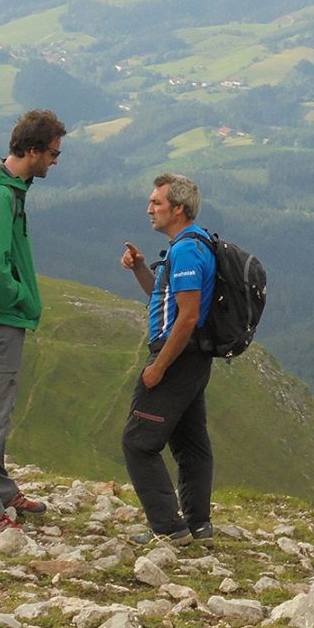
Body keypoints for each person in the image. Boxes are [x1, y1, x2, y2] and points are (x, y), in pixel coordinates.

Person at [0, 109, 65, 533]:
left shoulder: (7, 187)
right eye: (53, 154)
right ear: (34, 150)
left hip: (0, 318)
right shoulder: (0, 197)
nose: (56, 161)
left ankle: (0, 488)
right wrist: (22, 299)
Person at [119, 173, 217, 546]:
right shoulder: (191, 244)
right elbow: (166, 301)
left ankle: (168, 528)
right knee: (190, 442)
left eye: (156, 203)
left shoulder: (188, 250)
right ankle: (198, 525)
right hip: (193, 358)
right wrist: (141, 268)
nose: (149, 209)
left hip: (177, 355)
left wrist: (159, 367)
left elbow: (188, 316)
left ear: (178, 208)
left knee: (138, 442)